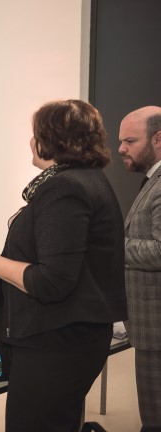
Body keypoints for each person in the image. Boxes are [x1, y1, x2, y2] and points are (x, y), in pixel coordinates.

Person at [0, 99, 127, 432]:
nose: (30, 142)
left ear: (53, 139)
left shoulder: (64, 187)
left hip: (55, 341)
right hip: (71, 337)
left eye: (36, 134)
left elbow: (51, 281)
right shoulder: (88, 179)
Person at [118, 105, 161, 432]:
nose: (121, 149)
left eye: (130, 141)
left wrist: (112, 246)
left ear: (158, 139)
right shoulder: (152, 181)